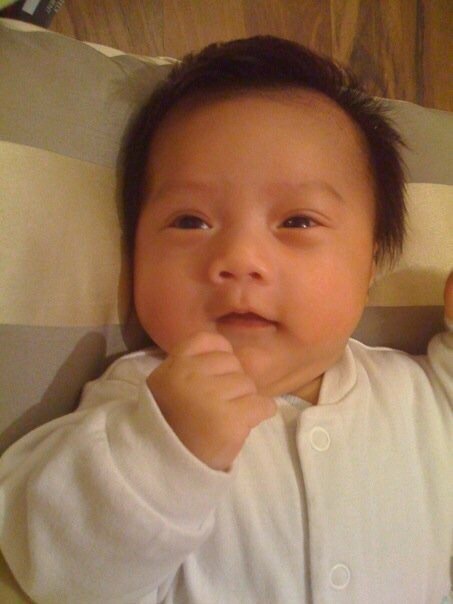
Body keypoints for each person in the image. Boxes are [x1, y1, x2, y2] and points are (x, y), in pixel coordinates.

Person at [0, 35, 452, 603]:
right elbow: (49, 563)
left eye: (298, 222)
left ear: (372, 263)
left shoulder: (419, 397)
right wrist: (163, 450)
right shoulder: (141, 403)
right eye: (190, 221)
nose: (239, 258)